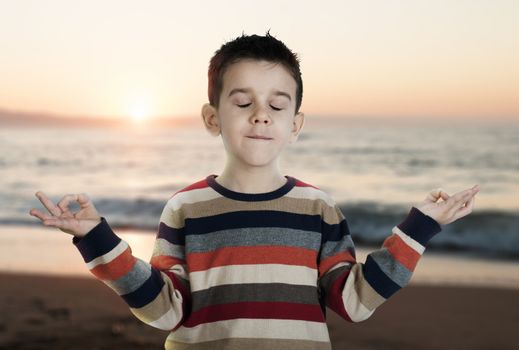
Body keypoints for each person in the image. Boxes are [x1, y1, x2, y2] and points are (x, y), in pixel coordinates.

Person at [29, 32, 480, 350]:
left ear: (295, 124)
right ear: (212, 118)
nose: (261, 115)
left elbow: (353, 301)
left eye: (277, 105)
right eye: (243, 102)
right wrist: (96, 239)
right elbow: (165, 310)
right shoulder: (185, 208)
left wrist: (417, 230)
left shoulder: (318, 208)